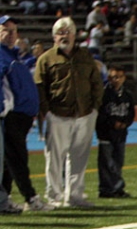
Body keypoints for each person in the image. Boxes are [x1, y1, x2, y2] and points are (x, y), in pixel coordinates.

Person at [34, 16, 103, 208]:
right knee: (54, 158)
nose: (64, 36)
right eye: (60, 33)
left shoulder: (85, 56)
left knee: (79, 157)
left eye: (67, 32)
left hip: (85, 114)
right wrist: (46, 111)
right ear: (54, 37)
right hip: (57, 114)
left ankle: (74, 195)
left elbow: (96, 82)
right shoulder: (45, 59)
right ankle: (54, 196)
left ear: (74, 34)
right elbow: (39, 87)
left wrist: (95, 107)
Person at [0, 15, 52, 211]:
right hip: (11, 116)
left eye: (14, 31)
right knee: (17, 159)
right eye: (6, 30)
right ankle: (30, 198)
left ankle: (4, 200)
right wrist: (4, 109)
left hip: (22, 117)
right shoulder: (2, 55)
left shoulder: (14, 55)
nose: (11, 34)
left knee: (8, 161)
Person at [96, 65, 134, 199]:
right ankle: (106, 188)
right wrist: (112, 123)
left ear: (124, 78)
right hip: (106, 134)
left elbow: (131, 113)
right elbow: (100, 115)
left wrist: (125, 123)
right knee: (107, 163)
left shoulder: (127, 95)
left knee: (118, 162)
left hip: (121, 135)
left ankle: (116, 188)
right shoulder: (104, 94)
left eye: (119, 77)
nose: (116, 80)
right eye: (113, 77)